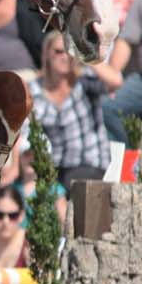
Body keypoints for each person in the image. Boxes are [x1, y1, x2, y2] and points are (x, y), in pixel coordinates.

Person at [29, 29, 108, 184]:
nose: (65, 57)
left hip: (89, 165)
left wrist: (84, 55)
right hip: (54, 167)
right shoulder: (34, 90)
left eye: (69, 52)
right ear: (46, 54)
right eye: (58, 52)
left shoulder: (86, 81)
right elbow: (26, 130)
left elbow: (116, 82)